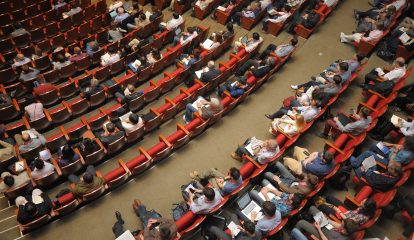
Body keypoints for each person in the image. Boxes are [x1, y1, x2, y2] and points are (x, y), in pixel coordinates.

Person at [112, 199, 178, 239]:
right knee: (150, 216)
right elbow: (168, 221)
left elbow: (146, 237)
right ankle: (140, 210)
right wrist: (157, 220)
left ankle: (120, 221)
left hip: (150, 233)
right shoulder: (173, 227)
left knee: (118, 231)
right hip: (153, 227)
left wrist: (147, 228)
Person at [291, 206, 359, 240]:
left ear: (347, 231)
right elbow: (339, 225)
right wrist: (326, 219)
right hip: (327, 226)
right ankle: (307, 218)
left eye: (342, 228)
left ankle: (293, 236)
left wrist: (319, 229)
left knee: (301, 223)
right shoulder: (351, 228)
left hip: (322, 234)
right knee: (312, 208)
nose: (341, 227)